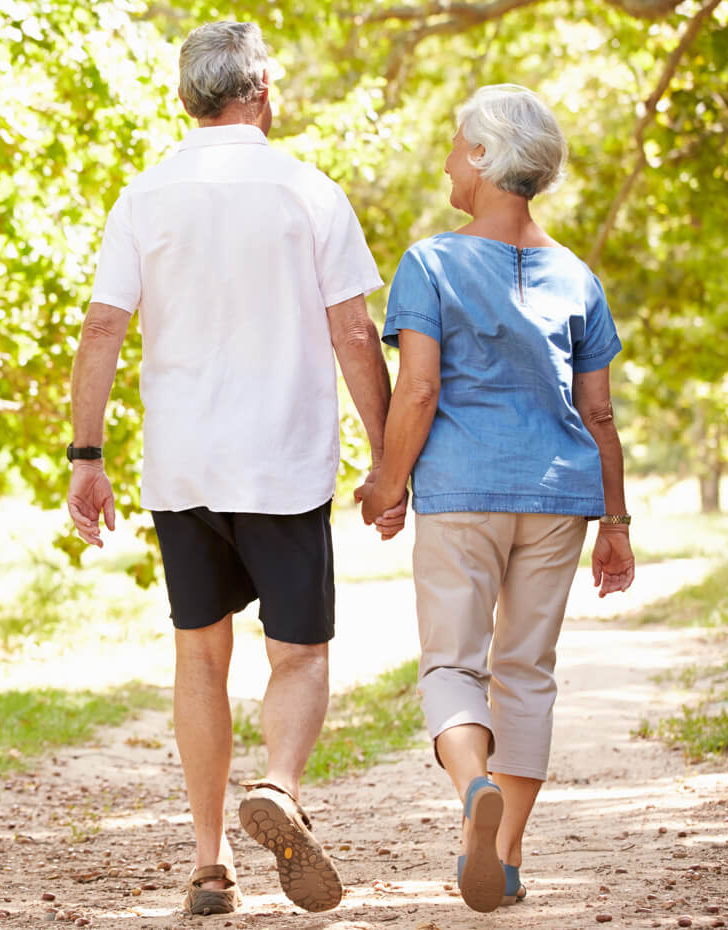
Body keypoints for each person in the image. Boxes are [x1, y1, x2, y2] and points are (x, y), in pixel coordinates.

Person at [66, 21, 393, 917]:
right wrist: (389, 457)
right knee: (299, 655)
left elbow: (102, 327)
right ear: (260, 92)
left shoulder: (144, 195)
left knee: (199, 657)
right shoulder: (308, 191)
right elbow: (355, 333)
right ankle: (279, 789)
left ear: (188, 98)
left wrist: (85, 457)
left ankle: (211, 865)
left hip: (184, 465)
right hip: (283, 463)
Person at [356, 83, 636, 913]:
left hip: (463, 492)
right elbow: (600, 412)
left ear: (481, 157)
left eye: (453, 143)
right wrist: (616, 523)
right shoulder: (578, 275)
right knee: (526, 672)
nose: (447, 158)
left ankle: (473, 785)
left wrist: (386, 482)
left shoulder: (432, 262)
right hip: (559, 498)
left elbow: (417, 393)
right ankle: (507, 852)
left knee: (453, 662)